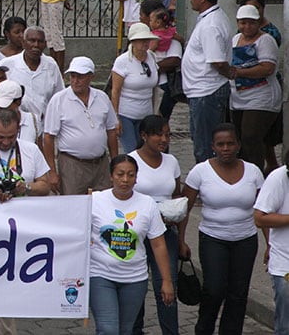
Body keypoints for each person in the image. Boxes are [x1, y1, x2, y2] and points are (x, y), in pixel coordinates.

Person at [181, 124, 264, 335]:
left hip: (245, 240)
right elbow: (184, 209)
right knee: (214, 289)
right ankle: (204, 328)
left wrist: (270, 244)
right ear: (213, 146)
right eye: (221, 144)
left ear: (238, 145)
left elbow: (264, 210)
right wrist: (181, 240)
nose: (226, 148)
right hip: (213, 238)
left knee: (238, 293)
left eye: (230, 143)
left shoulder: (253, 172)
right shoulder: (200, 172)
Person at [89, 154, 174, 335]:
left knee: (125, 330)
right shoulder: (95, 200)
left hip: (135, 279)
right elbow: (78, 233)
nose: (125, 180)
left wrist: (167, 281)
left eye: (131, 175)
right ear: (111, 176)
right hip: (100, 275)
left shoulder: (147, 204)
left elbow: (158, 244)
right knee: (108, 329)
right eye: (120, 174)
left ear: (136, 178)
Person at [129, 115, 183, 335]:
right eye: (158, 134)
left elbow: (178, 196)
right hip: (137, 233)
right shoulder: (131, 161)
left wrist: (180, 236)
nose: (164, 139)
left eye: (168, 134)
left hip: (166, 231)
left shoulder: (172, 162)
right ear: (144, 135)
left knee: (167, 286)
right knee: (136, 287)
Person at [42, 56, 118, 195]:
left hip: (101, 163)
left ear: (91, 77)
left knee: (103, 203)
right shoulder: (59, 100)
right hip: (72, 164)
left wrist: (115, 163)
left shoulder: (102, 98)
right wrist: (52, 171)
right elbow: (48, 137)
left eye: (80, 77)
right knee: (73, 205)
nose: (75, 81)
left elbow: (111, 131)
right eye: (72, 76)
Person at [183, 0, 233, 164]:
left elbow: (217, 62)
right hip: (200, 91)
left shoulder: (211, 24)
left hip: (207, 92)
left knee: (205, 146)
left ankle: (209, 184)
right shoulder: (208, 19)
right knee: (200, 141)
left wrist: (231, 74)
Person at [229, 3, 281, 170]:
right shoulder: (235, 40)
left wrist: (240, 72)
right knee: (240, 139)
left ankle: (256, 173)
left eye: (251, 22)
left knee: (251, 136)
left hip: (261, 98)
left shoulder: (266, 40)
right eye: (243, 22)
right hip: (238, 98)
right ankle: (243, 173)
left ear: (258, 23)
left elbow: (267, 67)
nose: (247, 26)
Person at [110, 23, 160, 153]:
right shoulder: (122, 61)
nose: (145, 43)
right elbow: (115, 91)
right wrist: (115, 118)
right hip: (126, 114)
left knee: (145, 150)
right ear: (133, 41)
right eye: (142, 40)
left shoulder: (152, 58)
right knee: (132, 152)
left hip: (146, 114)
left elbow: (155, 87)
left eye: (147, 40)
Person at [0, 26, 64, 123]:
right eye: (32, 41)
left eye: (40, 41)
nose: (36, 45)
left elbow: (59, 98)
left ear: (45, 44)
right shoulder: (8, 64)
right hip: (14, 125)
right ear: (23, 42)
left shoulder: (51, 66)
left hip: (44, 126)